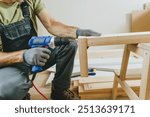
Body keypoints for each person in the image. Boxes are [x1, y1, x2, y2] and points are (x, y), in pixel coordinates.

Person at [0, 0, 100, 100]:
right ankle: (19, 96)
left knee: (69, 44)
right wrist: (24, 56)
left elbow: (51, 24)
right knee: (13, 86)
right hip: (8, 65)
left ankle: (60, 91)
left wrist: (77, 32)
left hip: (35, 56)